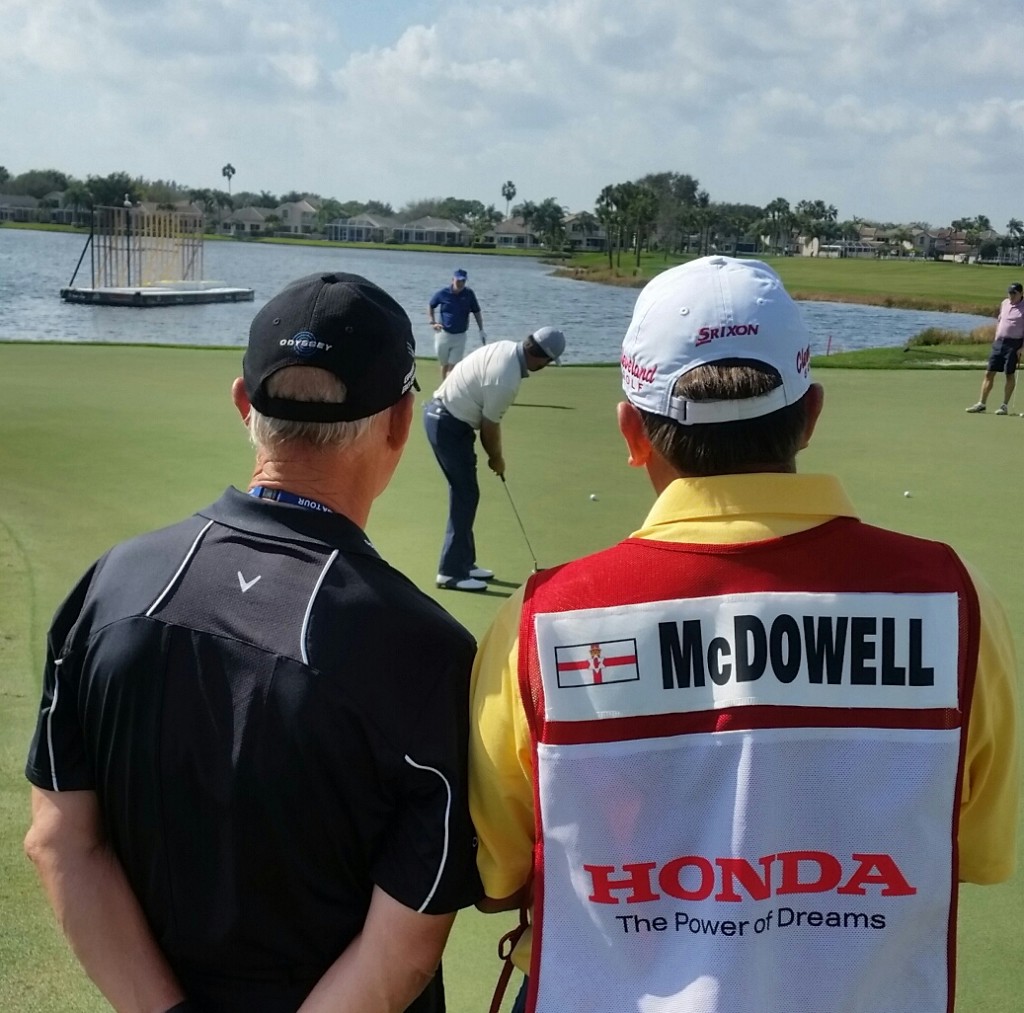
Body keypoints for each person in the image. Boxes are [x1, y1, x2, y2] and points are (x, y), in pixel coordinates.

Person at [469, 256, 1018, 1012]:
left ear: (631, 431)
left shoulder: (542, 619)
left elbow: (499, 873)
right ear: (811, 414)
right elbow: (977, 850)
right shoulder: (955, 598)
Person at [24, 272, 483, 1013]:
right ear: (402, 422)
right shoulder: (431, 653)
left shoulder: (108, 586)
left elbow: (60, 840)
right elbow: (401, 947)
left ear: (244, 403)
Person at [423, 328, 565, 592]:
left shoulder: (506, 348)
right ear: (542, 359)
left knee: (467, 493)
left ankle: (464, 563)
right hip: (447, 424)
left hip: (445, 418)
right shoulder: (506, 379)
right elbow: (489, 428)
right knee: (465, 494)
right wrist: (496, 459)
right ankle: (450, 572)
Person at [965, 281, 1024, 414]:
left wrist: (1022, 348)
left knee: (1009, 374)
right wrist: (996, 338)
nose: (1011, 296)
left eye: (1014, 293)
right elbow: (1000, 321)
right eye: (1009, 293)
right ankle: (981, 403)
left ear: (1021, 293)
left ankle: (1004, 406)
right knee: (989, 373)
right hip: (999, 343)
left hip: (1014, 344)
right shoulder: (1005, 303)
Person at [428, 268, 486, 378]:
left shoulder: (469, 294)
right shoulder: (443, 293)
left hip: (460, 336)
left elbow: (476, 312)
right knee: (444, 365)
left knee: (453, 367)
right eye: (458, 280)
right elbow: (431, 305)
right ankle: (444, 386)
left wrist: (481, 329)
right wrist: (432, 322)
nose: (460, 283)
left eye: (463, 281)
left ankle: (448, 387)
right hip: (443, 333)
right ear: (452, 280)